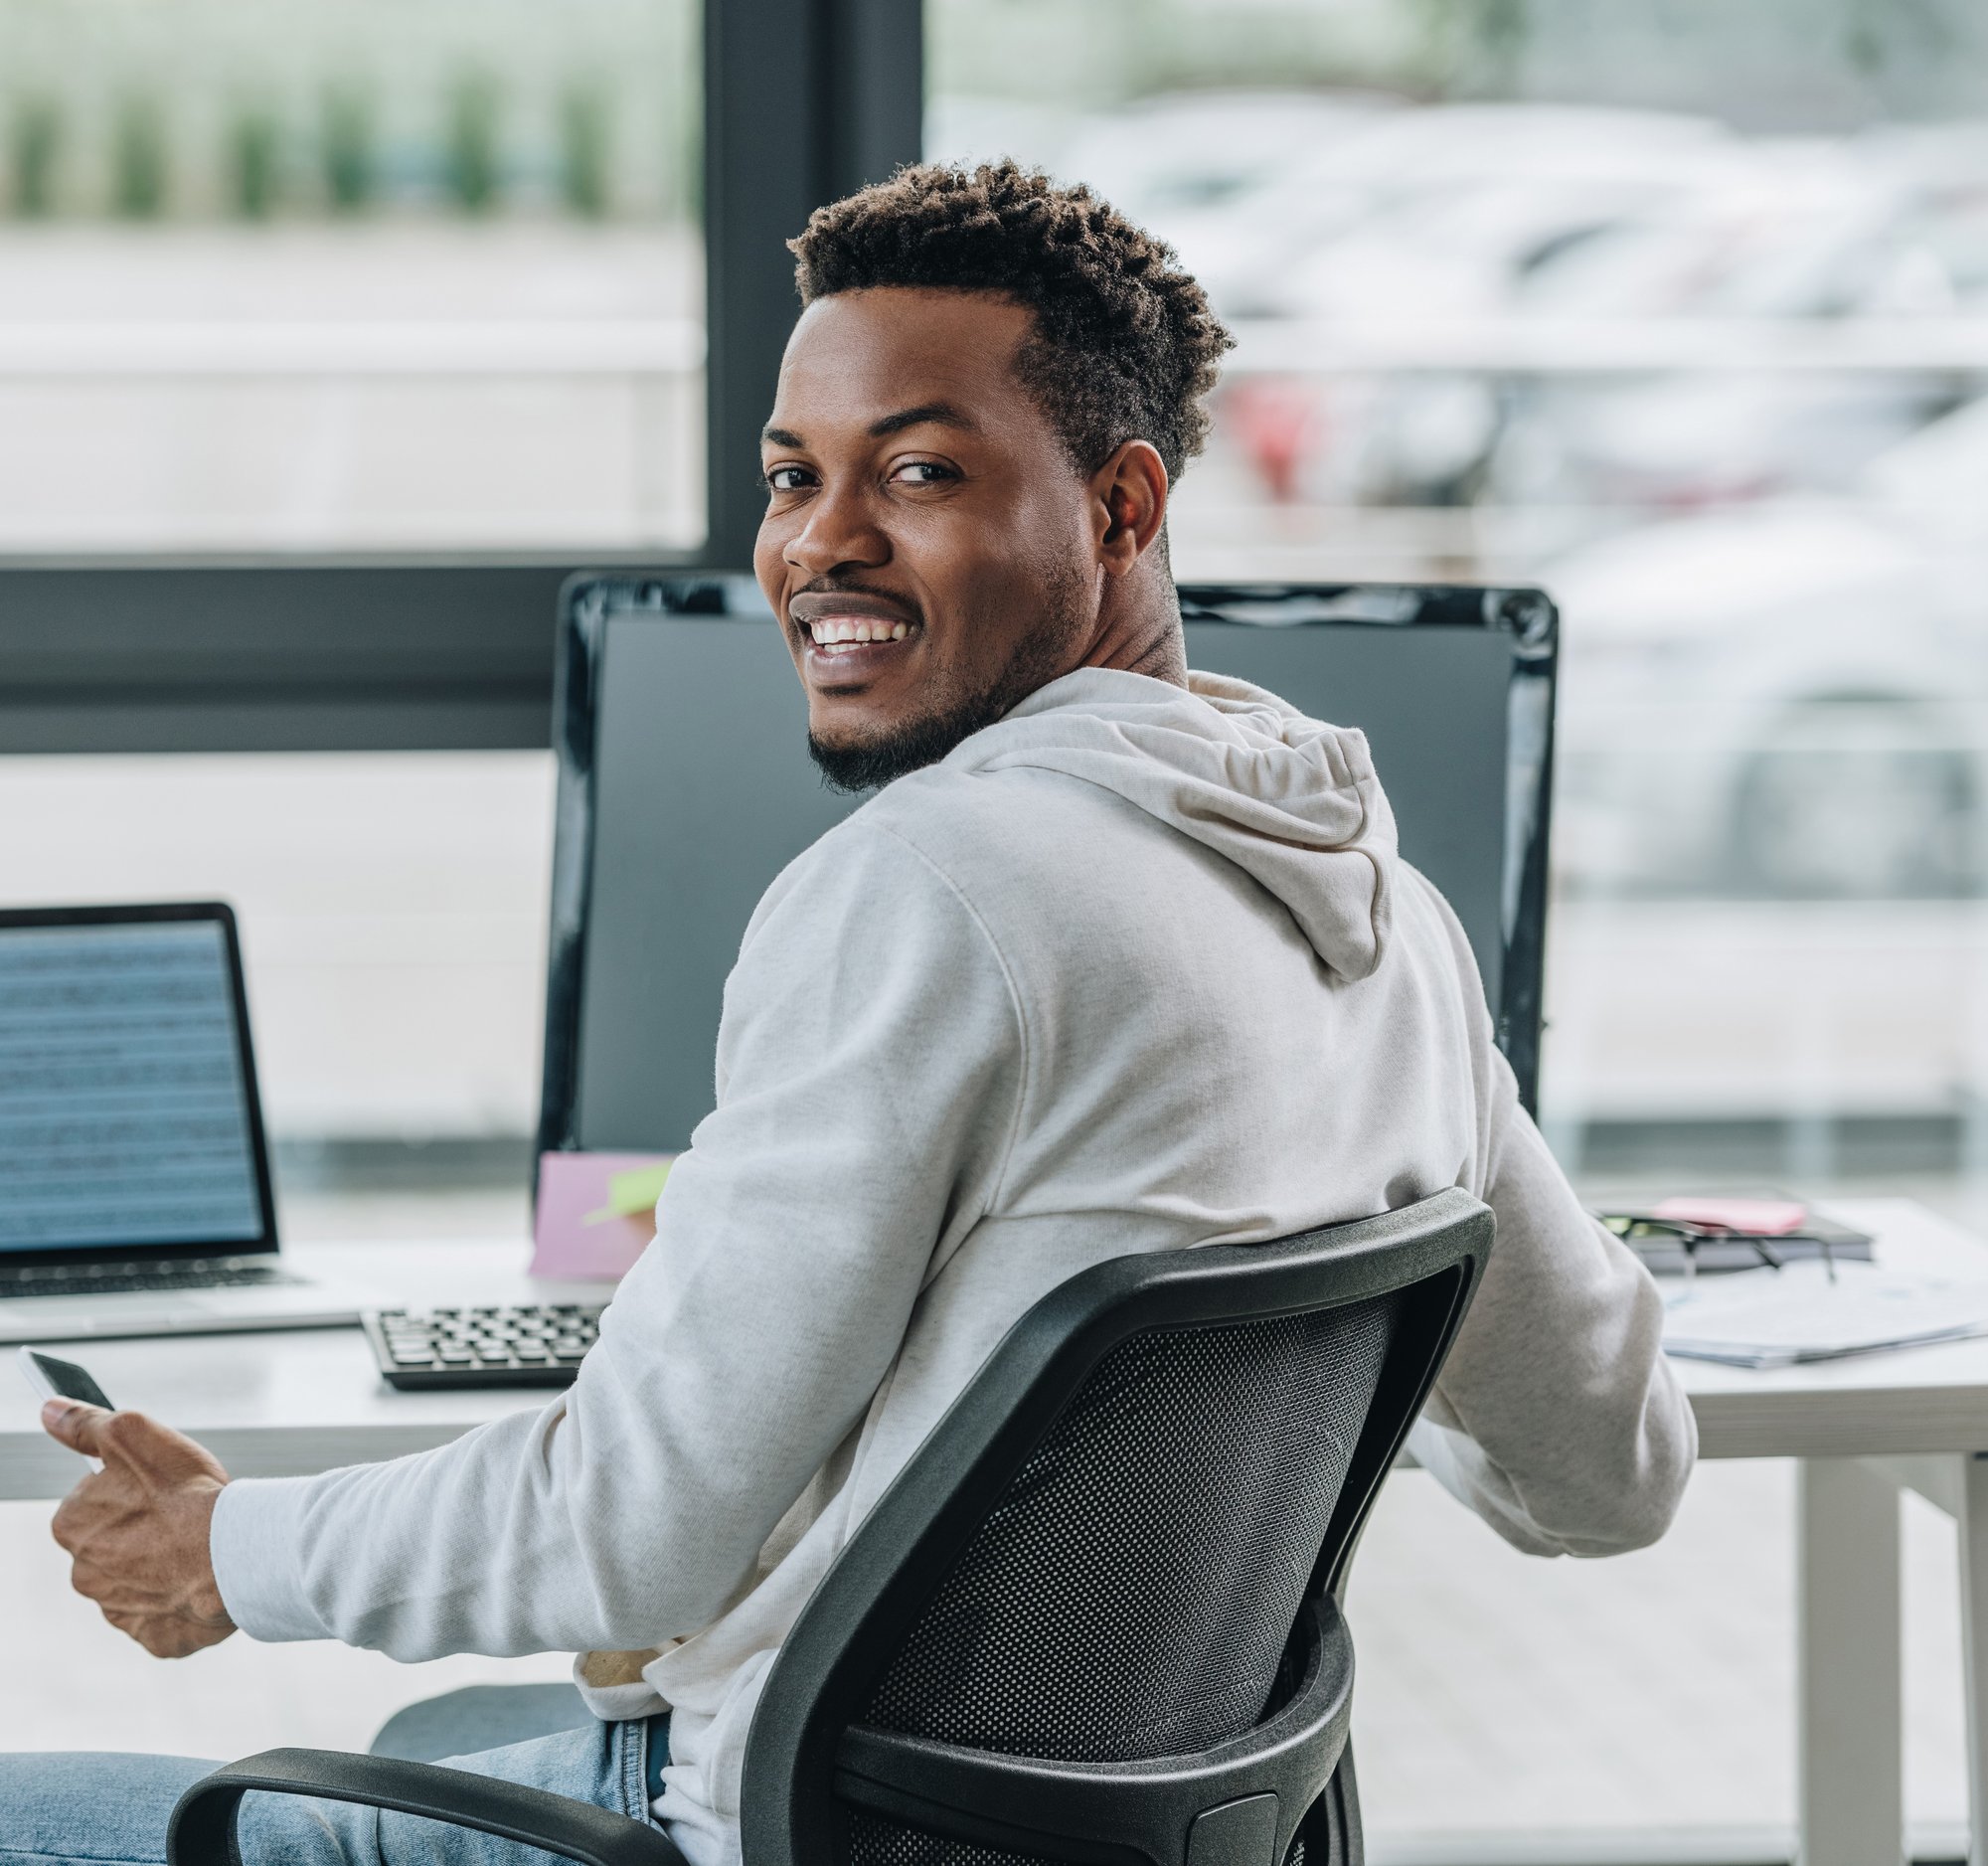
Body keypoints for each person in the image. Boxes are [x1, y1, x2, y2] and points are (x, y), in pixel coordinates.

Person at [5, 161, 1695, 1866]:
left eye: (920, 471)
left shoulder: (939, 887)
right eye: (793, 477)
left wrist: (233, 1547)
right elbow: (1616, 1466)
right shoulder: (1392, 926)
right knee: (431, 1733)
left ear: (1121, 507)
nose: (822, 544)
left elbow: (629, 1526)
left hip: (781, 1836)